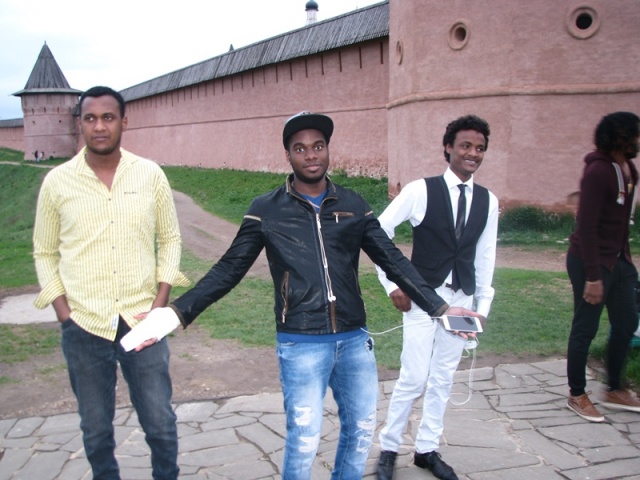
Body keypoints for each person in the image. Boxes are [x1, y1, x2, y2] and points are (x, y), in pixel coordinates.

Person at [127, 111, 478, 480]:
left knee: (360, 433)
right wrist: (175, 313)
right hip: (301, 343)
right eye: (300, 149)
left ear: (327, 150)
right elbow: (228, 270)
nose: (311, 155)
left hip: (354, 341)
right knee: (305, 440)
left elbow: (393, 261)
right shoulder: (266, 210)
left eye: (318, 146)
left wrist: (440, 308)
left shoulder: (353, 204)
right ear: (288, 156)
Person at [32, 85, 189, 479]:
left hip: (142, 321)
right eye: (90, 118)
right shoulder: (57, 182)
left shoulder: (149, 174)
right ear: (79, 124)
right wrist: (64, 312)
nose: (99, 126)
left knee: (160, 423)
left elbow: (170, 238)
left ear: (123, 122)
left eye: (108, 117)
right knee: (96, 429)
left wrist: (160, 303)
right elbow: (44, 252)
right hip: (84, 325)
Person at [375, 115, 498, 480]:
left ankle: (427, 449)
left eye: (479, 148)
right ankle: (389, 448)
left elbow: (486, 256)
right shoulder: (421, 190)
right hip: (421, 298)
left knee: (443, 377)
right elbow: (378, 232)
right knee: (414, 377)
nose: (472, 153)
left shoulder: (488, 201)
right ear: (449, 148)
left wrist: (482, 308)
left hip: (462, 300)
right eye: (465, 146)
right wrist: (392, 284)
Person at [566, 111, 640, 423]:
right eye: (634, 135)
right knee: (586, 327)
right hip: (589, 261)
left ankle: (614, 388)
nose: (638, 140)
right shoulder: (598, 172)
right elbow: (586, 227)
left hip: (619, 260)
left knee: (626, 322)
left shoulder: (628, 169)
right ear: (620, 137)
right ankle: (577, 394)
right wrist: (594, 277)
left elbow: (620, 220)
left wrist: (625, 261)